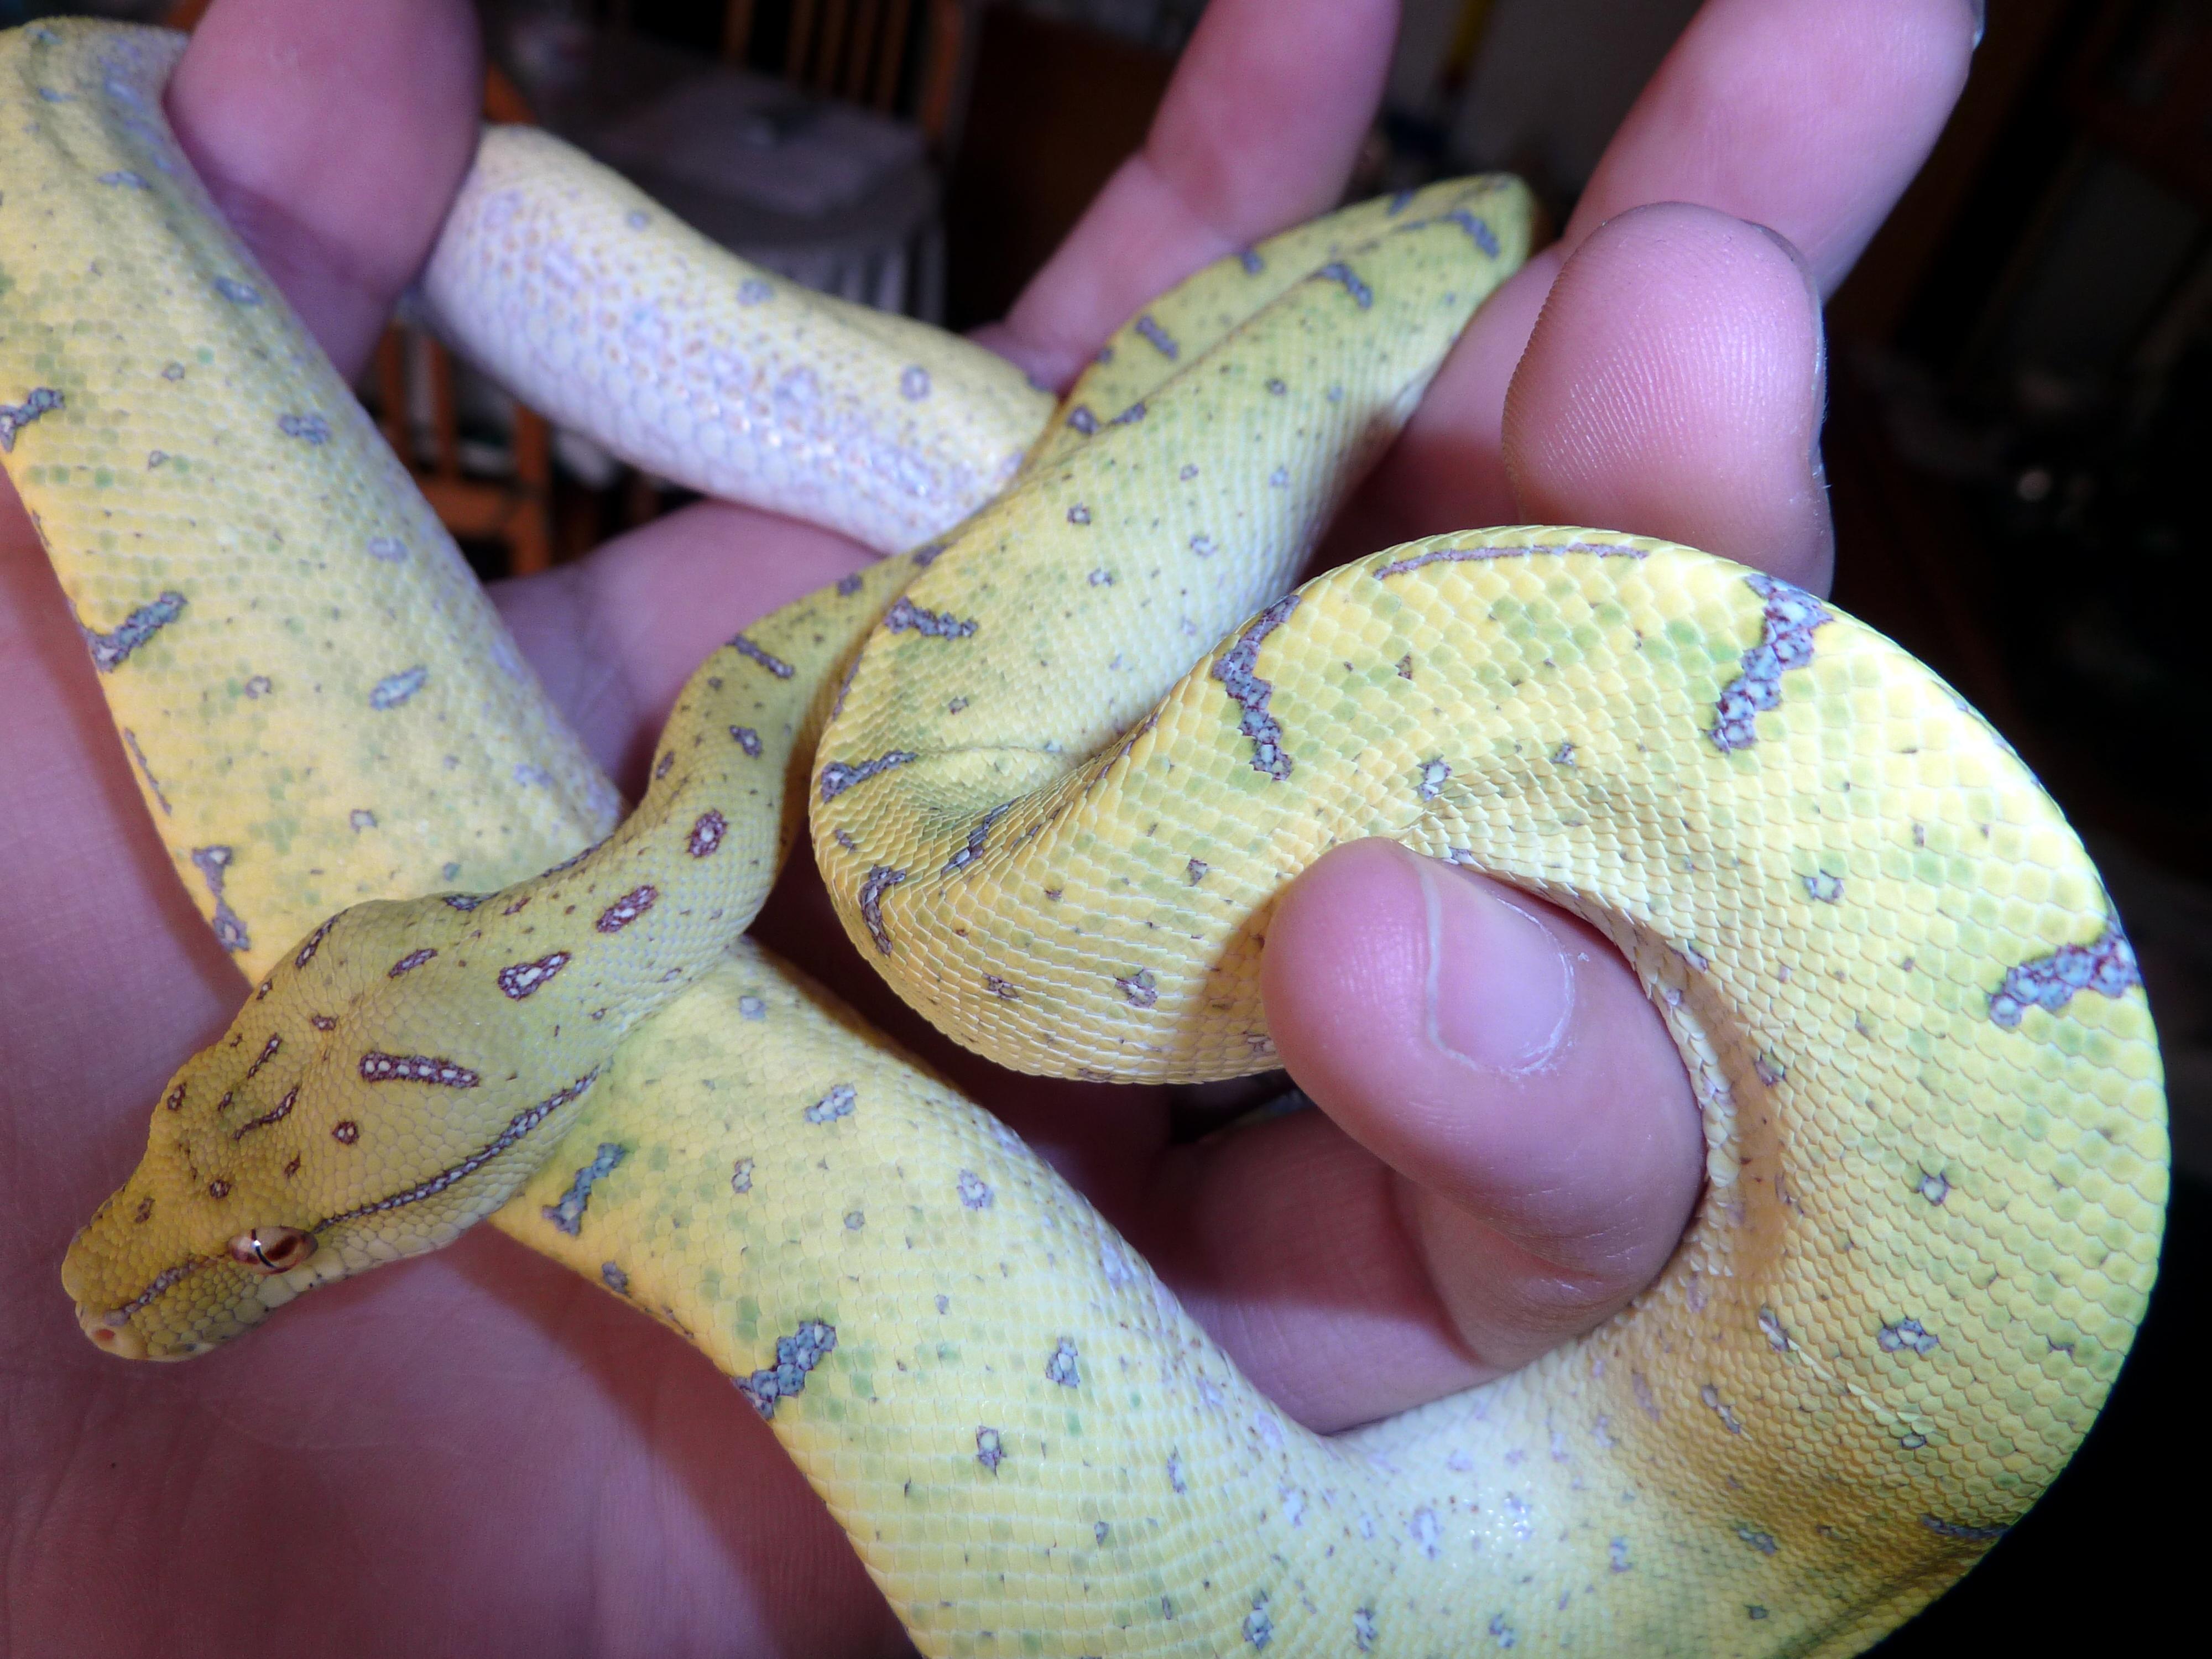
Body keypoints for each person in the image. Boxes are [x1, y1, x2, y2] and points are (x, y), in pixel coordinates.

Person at [0, 0, 1977, 1651]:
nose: (156, 1286)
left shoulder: (732, 867)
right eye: (258, 1220)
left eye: (273, 1239)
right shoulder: (655, 901)